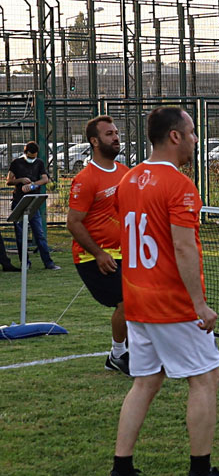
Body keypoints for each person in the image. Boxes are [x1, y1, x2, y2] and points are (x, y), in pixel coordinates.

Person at [106, 107, 219, 476]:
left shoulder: (128, 180)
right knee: (205, 377)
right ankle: (200, 472)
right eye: (193, 132)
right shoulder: (179, 186)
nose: (196, 139)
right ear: (175, 137)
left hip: (138, 302)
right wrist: (199, 305)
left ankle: (121, 470)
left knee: (144, 382)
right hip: (172, 305)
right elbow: (182, 248)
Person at [67, 116, 130, 375]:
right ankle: (118, 355)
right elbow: (73, 222)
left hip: (125, 254)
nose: (115, 137)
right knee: (127, 301)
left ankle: (127, 353)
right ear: (94, 141)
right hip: (92, 258)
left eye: (116, 132)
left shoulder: (125, 172)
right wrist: (98, 252)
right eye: (108, 134)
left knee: (144, 300)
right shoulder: (85, 179)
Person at [6, 141, 60, 270]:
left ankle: (48, 262)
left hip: (33, 202)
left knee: (39, 233)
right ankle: (25, 263)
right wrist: (20, 180)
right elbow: (9, 181)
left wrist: (33, 185)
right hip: (19, 200)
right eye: (30, 156)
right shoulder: (16, 163)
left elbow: (45, 179)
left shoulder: (39, 163)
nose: (32, 159)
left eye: (34, 156)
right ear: (25, 153)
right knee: (20, 235)